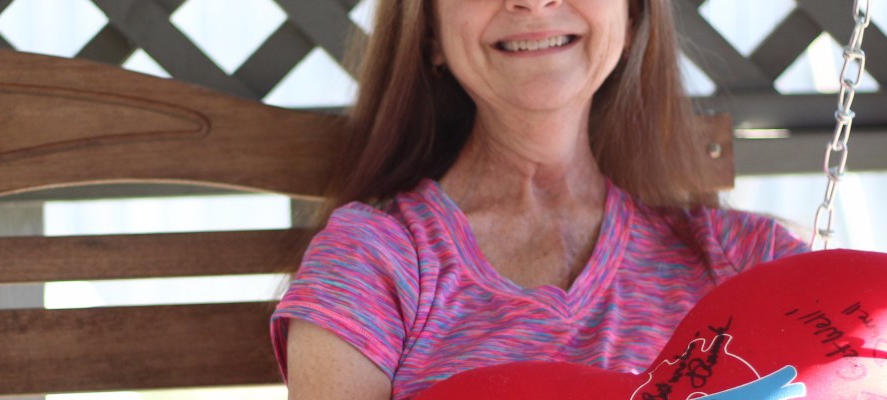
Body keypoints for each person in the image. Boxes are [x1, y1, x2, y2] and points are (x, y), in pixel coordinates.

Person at [270, 0, 808, 399]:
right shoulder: (371, 260)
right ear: (430, 31)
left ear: (632, 16)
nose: (531, 1)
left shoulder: (746, 258)